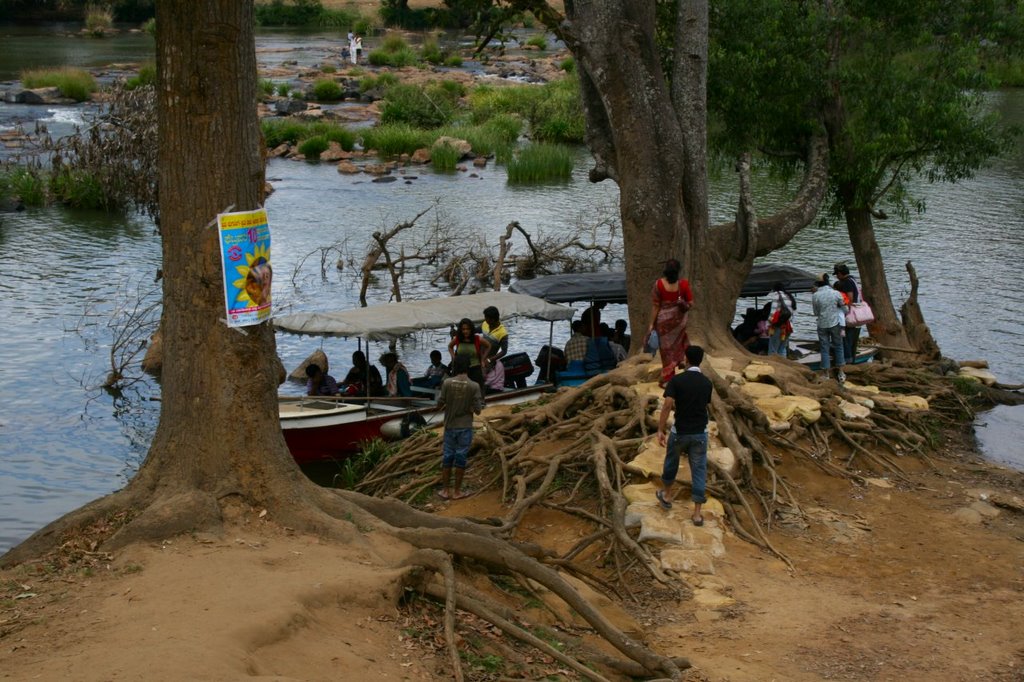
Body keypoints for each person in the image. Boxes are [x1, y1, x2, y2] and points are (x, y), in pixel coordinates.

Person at [655, 345, 713, 527]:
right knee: (699, 470)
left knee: (671, 462)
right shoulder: (707, 383)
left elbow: (667, 405)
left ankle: (667, 495)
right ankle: (696, 514)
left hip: (680, 432)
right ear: (701, 360)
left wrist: (660, 429)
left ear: (686, 359)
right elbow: (705, 405)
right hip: (700, 433)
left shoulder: (677, 381)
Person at [437, 354, 484, 500]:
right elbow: (478, 410)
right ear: (468, 367)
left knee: (447, 456)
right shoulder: (474, 386)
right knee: (461, 457)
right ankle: (457, 492)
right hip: (465, 426)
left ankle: (445, 490)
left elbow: (440, 403)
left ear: (454, 367)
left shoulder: (447, 383)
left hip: (450, 426)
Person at [649, 258, 694, 386]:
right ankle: (683, 363)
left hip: (663, 324)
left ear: (665, 271)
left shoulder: (658, 284)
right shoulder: (684, 284)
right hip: (679, 322)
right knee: (681, 343)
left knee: (666, 350)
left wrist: (651, 324)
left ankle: (669, 378)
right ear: (678, 270)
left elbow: (655, 306)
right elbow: (691, 303)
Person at [811, 273, 847, 382]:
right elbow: (845, 309)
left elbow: (815, 312)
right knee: (838, 346)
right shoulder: (836, 293)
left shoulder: (815, 295)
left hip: (822, 324)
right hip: (835, 323)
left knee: (824, 348)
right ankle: (841, 373)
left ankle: (826, 374)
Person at [448, 317, 490, 396]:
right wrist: (454, 358)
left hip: (475, 368)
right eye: (463, 329)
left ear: (471, 329)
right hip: (460, 370)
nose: (465, 331)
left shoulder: (477, 339)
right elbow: (450, 347)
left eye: (468, 329)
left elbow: (488, 346)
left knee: (477, 391)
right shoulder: (457, 339)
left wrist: (483, 359)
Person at [833, 262, 861, 365]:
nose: (837, 276)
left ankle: (847, 359)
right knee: (851, 337)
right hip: (856, 313)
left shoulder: (847, 282)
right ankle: (851, 359)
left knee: (845, 337)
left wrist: (844, 311)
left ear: (841, 273)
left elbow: (850, 299)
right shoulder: (853, 279)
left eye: (837, 274)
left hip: (849, 314)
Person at [767, 282, 796, 358]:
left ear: (774, 289)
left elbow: (772, 313)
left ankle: (773, 367)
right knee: (782, 349)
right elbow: (793, 314)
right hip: (788, 327)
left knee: (773, 350)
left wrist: (768, 325)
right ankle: (783, 367)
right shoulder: (789, 296)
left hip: (778, 326)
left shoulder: (776, 295)